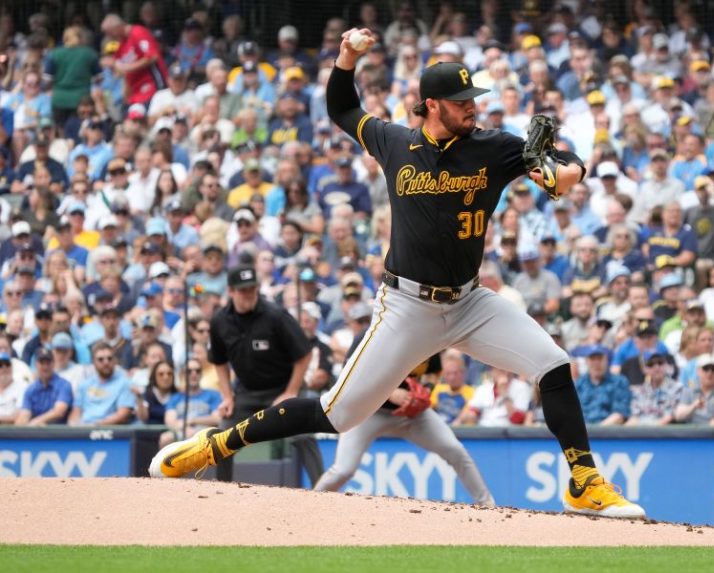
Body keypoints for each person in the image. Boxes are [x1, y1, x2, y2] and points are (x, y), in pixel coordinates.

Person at [149, 30, 644, 519]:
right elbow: (343, 108)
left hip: (470, 302)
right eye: (461, 101)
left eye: (474, 99)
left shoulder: (494, 147)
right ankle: (215, 445)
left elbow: (565, 159)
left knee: (553, 365)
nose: (472, 107)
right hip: (407, 306)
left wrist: (566, 171)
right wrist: (346, 57)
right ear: (432, 105)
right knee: (335, 414)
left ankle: (584, 483)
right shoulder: (394, 142)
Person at [314, 349, 495, 507]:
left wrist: (426, 390)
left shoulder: (428, 338)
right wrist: (390, 392)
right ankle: (311, 503)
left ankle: (487, 505)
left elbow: (434, 371)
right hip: (370, 411)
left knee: (456, 451)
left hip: (413, 415)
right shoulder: (373, 333)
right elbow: (350, 374)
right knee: (343, 470)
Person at [205, 264, 316, 483]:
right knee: (222, 436)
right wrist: (227, 396)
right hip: (248, 392)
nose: (249, 294)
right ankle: (222, 489)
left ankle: (322, 488)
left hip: (283, 387)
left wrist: (291, 392)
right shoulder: (219, 320)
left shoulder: (276, 315)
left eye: (252, 288)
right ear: (230, 291)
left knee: (303, 435)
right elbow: (219, 361)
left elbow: (304, 354)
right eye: (243, 290)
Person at [69, 342, 136, 426]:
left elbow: (123, 414)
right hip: (84, 429)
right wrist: (74, 427)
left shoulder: (125, 383)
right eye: (100, 359)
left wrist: (96, 426)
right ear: (93, 362)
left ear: (115, 361)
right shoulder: (85, 384)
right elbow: (76, 412)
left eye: (109, 358)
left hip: (111, 430)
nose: (106, 362)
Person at [14, 348, 73, 426]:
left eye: (48, 363)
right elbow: (25, 414)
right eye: (42, 363)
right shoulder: (31, 389)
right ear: (36, 364)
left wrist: (34, 423)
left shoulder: (64, 385)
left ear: (53, 364)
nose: (45, 367)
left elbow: (59, 412)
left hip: (59, 431)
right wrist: (22, 426)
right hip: (35, 431)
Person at [673, 354, 714, 426]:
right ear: (698, 371)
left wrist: (709, 426)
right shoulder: (689, 389)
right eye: (706, 368)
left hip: (712, 431)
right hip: (689, 430)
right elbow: (678, 416)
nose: (710, 373)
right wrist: (693, 406)